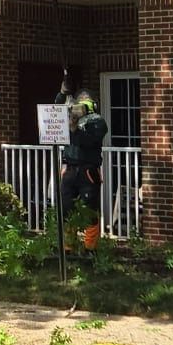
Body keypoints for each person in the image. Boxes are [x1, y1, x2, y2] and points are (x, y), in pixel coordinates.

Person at [55, 92, 108, 249]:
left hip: (88, 171)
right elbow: (53, 111)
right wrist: (62, 94)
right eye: (79, 104)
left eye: (85, 104)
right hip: (70, 170)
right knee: (66, 208)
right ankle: (68, 247)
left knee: (90, 209)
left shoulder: (97, 121)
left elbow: (88, 141)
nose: (80, 108)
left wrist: (74, 128)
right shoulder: (69, 120)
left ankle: (91, 249)